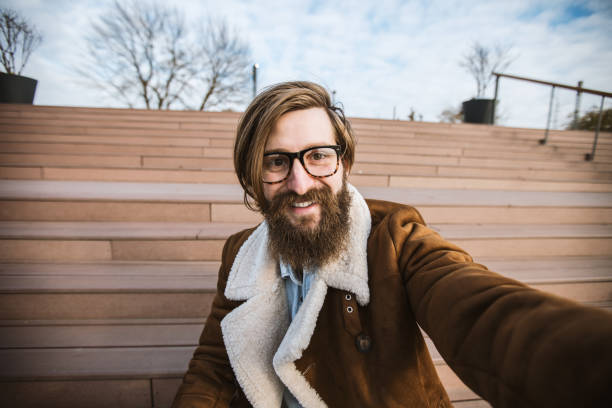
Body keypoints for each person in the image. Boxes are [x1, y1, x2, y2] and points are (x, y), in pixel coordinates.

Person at [172, 81, 612, 408]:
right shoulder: (239, 254)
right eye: (276, 161)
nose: (300, 181)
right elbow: (214, 362)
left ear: (344, 163)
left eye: (318, 155)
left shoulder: (396, 238)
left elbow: (480, 312)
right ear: (253, 176)